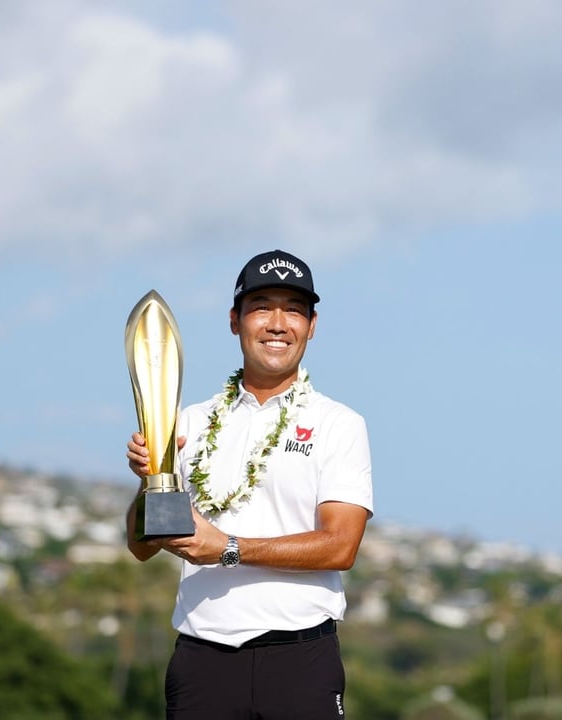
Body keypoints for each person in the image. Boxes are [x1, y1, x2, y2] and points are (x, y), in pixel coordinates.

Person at [125, 249, 374, 719]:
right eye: (262, 306)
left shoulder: (339, 423)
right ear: (235, 320)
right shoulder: (188, 422)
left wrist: (228, 547)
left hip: (300, 660)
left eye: (294, 309)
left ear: (312, 325)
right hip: (202, 659)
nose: (278, 323)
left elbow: (341, 546)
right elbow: (142, 548)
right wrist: (149, 480)